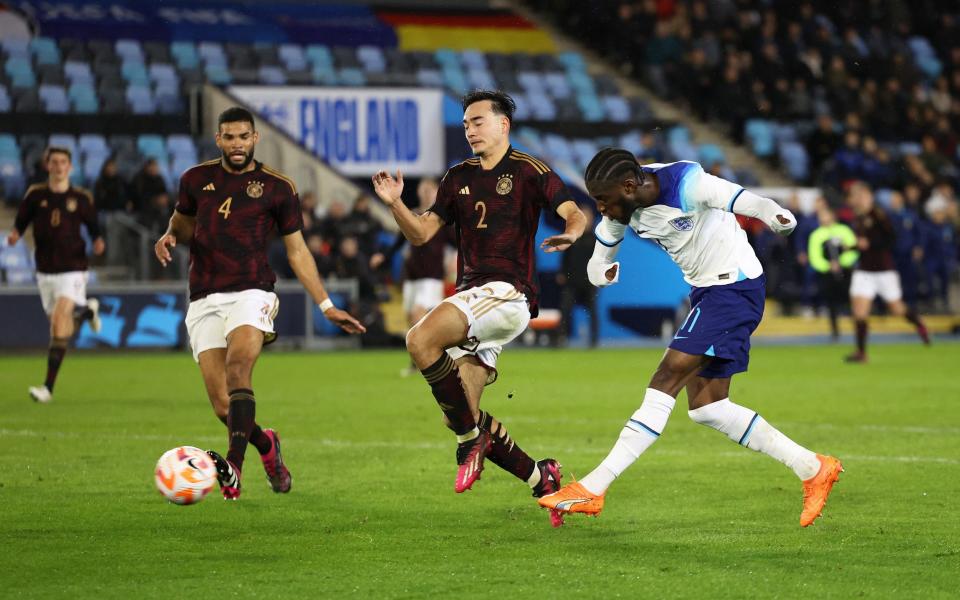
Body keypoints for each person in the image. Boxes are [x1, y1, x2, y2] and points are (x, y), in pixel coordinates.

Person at [538, 148, 842, 528]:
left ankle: (593, 487)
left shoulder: (687, 183)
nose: (601, 208)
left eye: (604, 201)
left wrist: (774, 215)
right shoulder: (622, 204)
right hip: (709, 292)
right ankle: (813, 468)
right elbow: (605, 240)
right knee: (708, 408)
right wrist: (600, 268)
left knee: (666, 377)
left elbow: (744, 200)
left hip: (734, 288)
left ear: (629, 186)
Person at [372, 90, 586, 527]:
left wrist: (572, 233)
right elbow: (419, 234)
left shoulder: (529, 171)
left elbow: (573, 210)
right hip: (475, 299)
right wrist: (396, 203)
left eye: (478, 121)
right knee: (462, 416)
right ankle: (539, 477)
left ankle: (471, 443)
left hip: (508, 292)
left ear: (503, 125)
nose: (470, 130)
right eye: (466, 123)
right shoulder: (457, 177)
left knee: (419, 339)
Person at [154, 107, 366, 500]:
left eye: (243, 137)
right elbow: (181, 225)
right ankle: (267, 445)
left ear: (255, 138)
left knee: (239, 369)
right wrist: (168, 236)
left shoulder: (277, 187)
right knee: (223, 406)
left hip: (253, 292)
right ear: (218, 139)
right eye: (229, 137)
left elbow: (298, 251)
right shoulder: (195, 180)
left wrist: (326, 305)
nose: (237, 144)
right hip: (203, 296)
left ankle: (233, 467)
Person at [7, 146, 104, 403]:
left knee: (61, 317)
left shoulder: (81, 198)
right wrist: (15, 234)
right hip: (44, 271)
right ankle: (86, 310)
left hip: (73, 268)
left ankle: (47, 388)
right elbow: (21, 220)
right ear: (47, 165)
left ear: (70, 167)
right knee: (59, 327)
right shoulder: (35, 195)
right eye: (54, 162)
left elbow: (95, 227)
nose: (59, 166)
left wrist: (98, 241)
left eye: (63, 162)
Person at [371, 177, 455, 375]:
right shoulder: (413, 215)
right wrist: (383, 257)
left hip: (431, 277)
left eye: (430, 189)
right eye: (423, 189)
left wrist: (458, 260)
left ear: (437, 192)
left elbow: (458, 241)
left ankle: (433, 360)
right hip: (412, 276)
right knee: (412, 320)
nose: (426, 193)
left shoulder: (441, 218)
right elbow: (399, 241)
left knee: (418, 315)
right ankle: (417, 362)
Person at [846, 181, 929, 362]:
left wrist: (869, 244)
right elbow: (864, 244)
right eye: (856, 196)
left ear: (868, 197)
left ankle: (920, 324)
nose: (858, 199)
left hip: (884, 270)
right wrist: (852, 247)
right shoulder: (858, 217)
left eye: (861, 196)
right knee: (859, 312)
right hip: (864, 271)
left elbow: (891, 241)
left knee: (897, 309)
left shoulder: (879, 215)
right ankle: (861, 353)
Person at [807, 199, 858, 340]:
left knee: (852, 301)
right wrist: (828, 266)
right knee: (831, 302)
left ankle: (857, 329)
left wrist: (841, 263)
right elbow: (814, 256)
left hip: (846, 271)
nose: (823, 218)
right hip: (827, 274)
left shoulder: (844, 230)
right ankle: (835, 331)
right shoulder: (816, 235)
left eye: (825, 215)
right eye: (820, 216)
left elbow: (853, 249)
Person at [557, 202, 599, 347]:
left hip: (589, 282)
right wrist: (562, 273)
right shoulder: (572, 237)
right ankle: (561, 338)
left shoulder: (596, 239)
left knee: (593, 311)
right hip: (571, 280)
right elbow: (565, 257)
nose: (586, 220)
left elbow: (602, 260)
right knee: (565, 310)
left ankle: (594, 339)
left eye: (588, 216)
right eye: (583, 217)